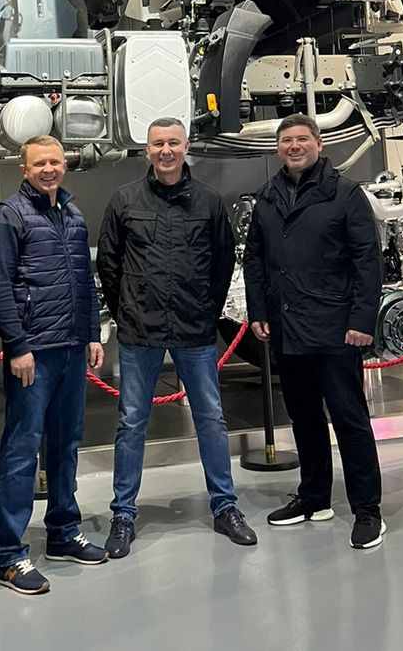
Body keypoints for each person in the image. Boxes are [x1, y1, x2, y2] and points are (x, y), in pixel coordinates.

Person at [96, 117, 257, 557]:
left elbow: (223, 263)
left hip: (194, 329)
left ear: (186, 147)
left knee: (211, 418)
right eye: (158, 144)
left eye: (173, 142)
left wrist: (205, 310)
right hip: (140, 331)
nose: (166, 150)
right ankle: (123, 515)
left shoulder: (208, 202)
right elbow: (109, 263)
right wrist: (129, 308)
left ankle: (225, 507)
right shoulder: (124, 200)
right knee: (131, 422)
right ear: (147, 150)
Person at [242, 114, 386, 549]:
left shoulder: (345, 194)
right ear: (278, 148)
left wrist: (362, 321)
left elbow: (367, 261)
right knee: (303, 418)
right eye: (286, 140)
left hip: (336, 329)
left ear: (319, 144)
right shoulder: (268, 196)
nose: (294, 146)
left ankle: (368, 511)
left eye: (302, 138)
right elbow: (255, 258)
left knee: (349, 419)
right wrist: (258, 310)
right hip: (287, 328)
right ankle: (314, 497)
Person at [0, 135, 107, 594]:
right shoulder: (7, 217)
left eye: (55, 161)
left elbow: (85, 281)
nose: (48, 169)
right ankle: (10, 554)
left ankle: (63, 532)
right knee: (21, 451)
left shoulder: (73, 215)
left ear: (65, 165)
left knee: (66, 444)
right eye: (39, 164)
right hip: (32, 354)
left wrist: (92, 334)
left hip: (72, 349)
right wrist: (17, 346)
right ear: (24, 169)